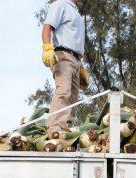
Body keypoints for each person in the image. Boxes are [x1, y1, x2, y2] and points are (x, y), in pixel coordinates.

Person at [41, 0, 88, 132]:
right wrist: (47, 49)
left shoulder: (76, 12)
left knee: (73, 99)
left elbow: (73, 40)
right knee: (63, 91)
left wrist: (80, 66)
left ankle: (66, 129)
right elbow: (47, 27)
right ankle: (54, 129)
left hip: (76, 60)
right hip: (63, 55)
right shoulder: (60, 4)